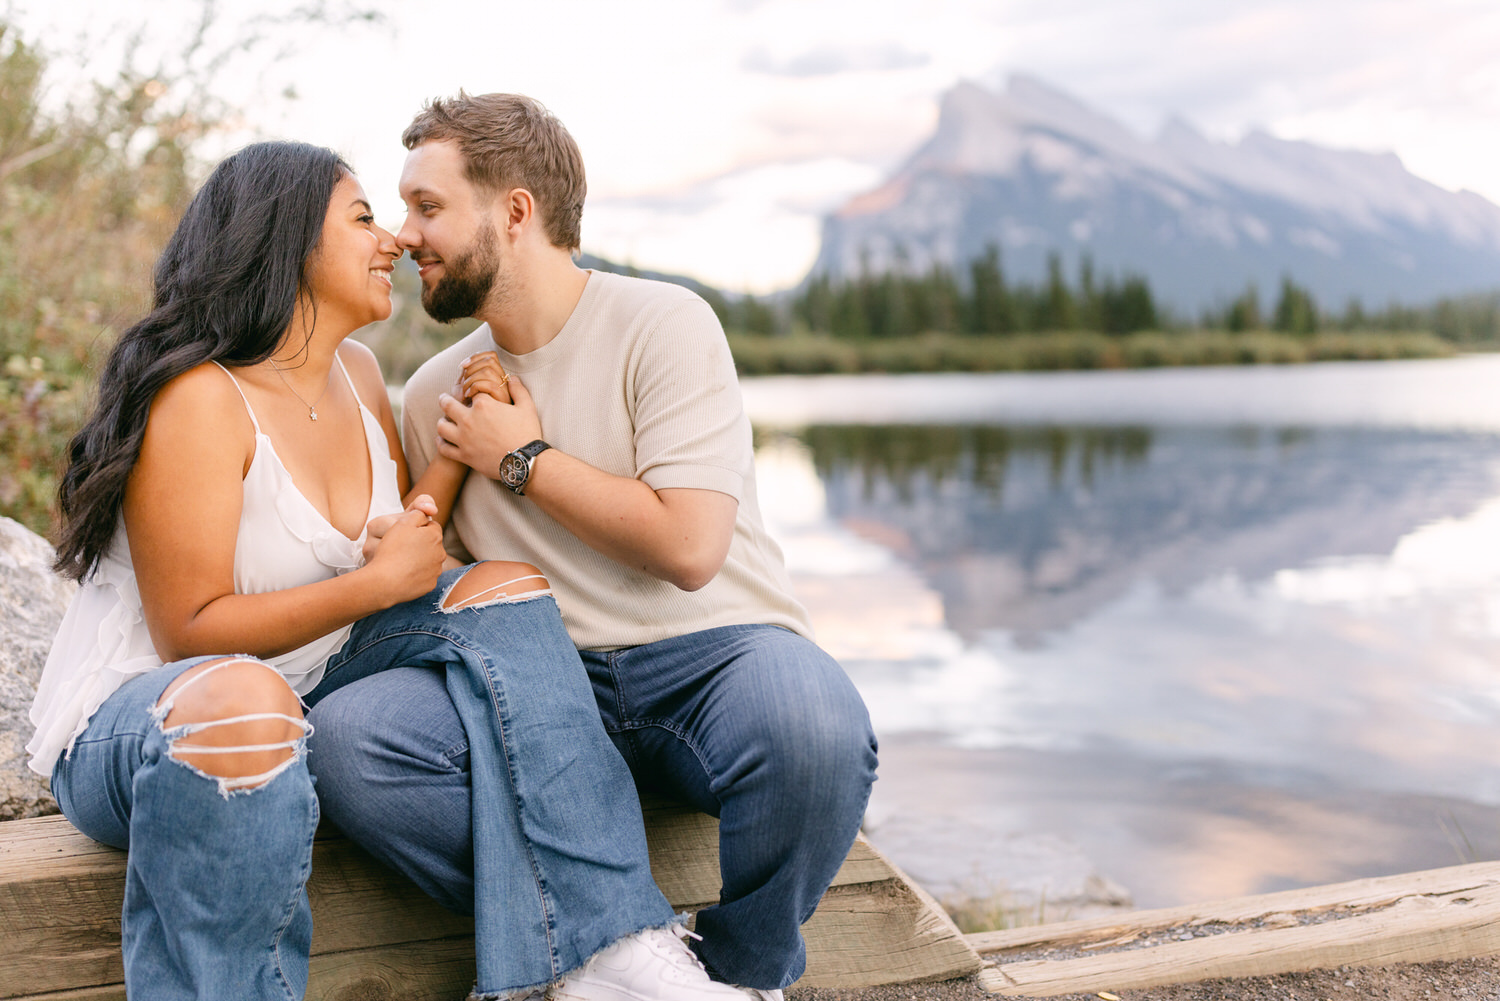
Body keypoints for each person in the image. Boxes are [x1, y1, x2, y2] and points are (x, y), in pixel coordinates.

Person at [28, 140, 752, 1001]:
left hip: (314, 676)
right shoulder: (198, 399)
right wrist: (376, 586)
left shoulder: (360, 373)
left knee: (500, 587)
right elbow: (193, 629)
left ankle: (607, 946)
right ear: (288, 241)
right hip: (164, 717)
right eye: (365, 217)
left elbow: (401, 544)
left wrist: (471, 437)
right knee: (248, 705)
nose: (396, 241)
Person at [309, 94, 879, 999]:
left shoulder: (666, 324)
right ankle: (612, 948)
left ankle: (741, 973)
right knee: (353, 742)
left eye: (428, 206)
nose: (406, 234)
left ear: (516, 211)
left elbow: (690, 548)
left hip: (712, 657)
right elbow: (453, 582)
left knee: (815, 729)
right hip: (537, 689)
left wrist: (523, 459)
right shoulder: (431, 396)